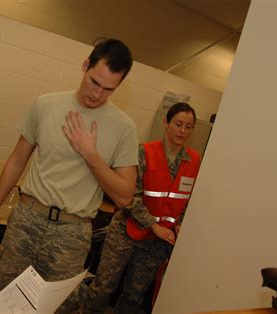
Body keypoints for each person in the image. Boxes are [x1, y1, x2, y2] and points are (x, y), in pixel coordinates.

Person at [0, 38, 139, 312]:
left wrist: (91, 155)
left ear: (119, 86)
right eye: (94, 82)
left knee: (55, 307)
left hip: (72, 233)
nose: (97, 94)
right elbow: (17, 161)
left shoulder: (124, 128)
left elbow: (124, 196)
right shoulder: (46, 105)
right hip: (27, 219)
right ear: (85, 66)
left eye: (108, 89)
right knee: (2, 297)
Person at [80, 102, 201, 314]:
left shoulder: (194, 160)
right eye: (178, 124)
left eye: (188, 126)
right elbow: (129, 196)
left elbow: (188, 200)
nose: (183, 130)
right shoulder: (145, 152)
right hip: (126, 231)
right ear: (166, 123)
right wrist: (153, 225)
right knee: (103, 287)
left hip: (156, 242)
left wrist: (179, 224)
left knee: (134, 296)